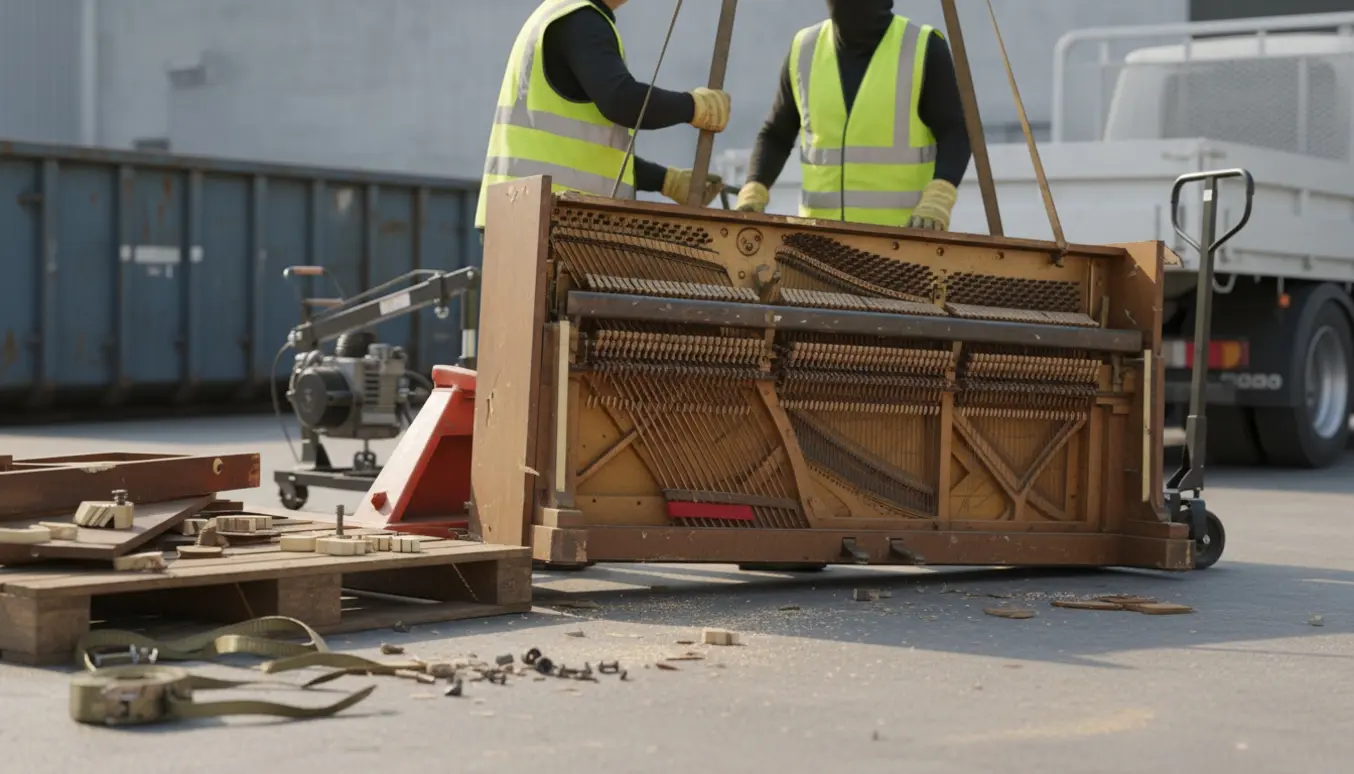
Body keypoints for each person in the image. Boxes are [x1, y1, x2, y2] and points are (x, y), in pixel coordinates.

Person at [474, 0, 732, 230]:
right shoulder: (580, 20)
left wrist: (665, 180)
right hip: (545, 222)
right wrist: (693, 107)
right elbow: (621, 100)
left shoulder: (563, 17)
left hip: (526, 216)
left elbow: (582, 153)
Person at [734, 0, 971, 231]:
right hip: (817, 247)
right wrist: (754, 187)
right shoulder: (805, 49)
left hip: (902, 247)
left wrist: (939, 196)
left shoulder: (922, 48)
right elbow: (776, 134)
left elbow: (956, 133)